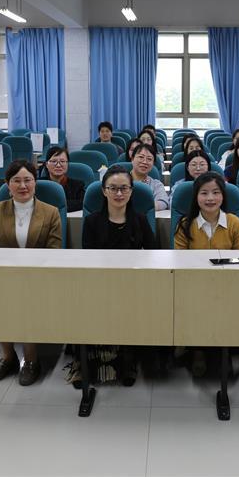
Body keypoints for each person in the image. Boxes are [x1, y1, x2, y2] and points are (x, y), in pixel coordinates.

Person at [0, 160, 62, 386]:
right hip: (4, 275)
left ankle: (31, 359)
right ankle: (8, 357)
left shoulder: (50, 212)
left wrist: (29, 272)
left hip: (38, 276)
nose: (23, 185)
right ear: (8, 185)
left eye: (28, 180)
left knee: (26, 299)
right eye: (16, 181)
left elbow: (54, 251)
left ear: (35, 183)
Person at [77, 165, 156, 386]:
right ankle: (96, 359)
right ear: (104, 191)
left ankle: (127, 359)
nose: (119, 193)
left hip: (134, 284)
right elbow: (88, 259)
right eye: (113, 188)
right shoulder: (92, 221)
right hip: (100, 284)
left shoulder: (140, 220)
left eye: (124, 188)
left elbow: (153, 255)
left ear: (131, 191)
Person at [174, 171, 239, 376]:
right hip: (194, 284)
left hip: (228, 283)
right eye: (204, 193)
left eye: (216, 192)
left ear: (223, 196)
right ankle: (198, 351)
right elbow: (180, 258)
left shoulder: (233, 222)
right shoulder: (185, 224)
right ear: (196, 197)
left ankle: (225, 350)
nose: (210, 198)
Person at [40, 147, 85, 213]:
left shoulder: (78, 185)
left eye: (62, 161)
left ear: (67, 164)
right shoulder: (39, 185)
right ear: (47, 164)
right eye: (54, 161)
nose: (58, 165)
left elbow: (82, 203)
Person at [130, 143, 169, 211]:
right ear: (132, 159)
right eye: (141, 157)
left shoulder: (156, 184)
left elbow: (163, 202)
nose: (145, 162)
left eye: (149, 159)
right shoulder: (120, 181)